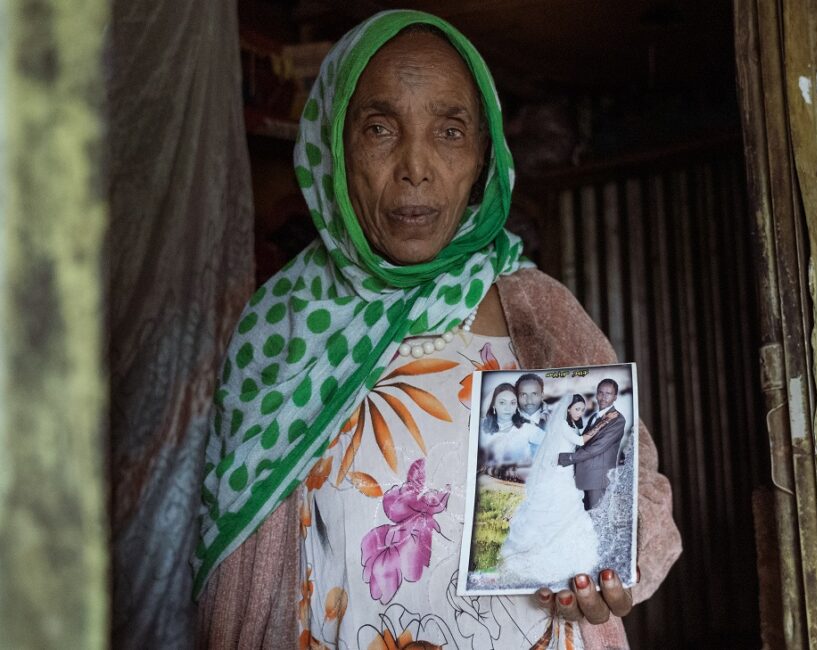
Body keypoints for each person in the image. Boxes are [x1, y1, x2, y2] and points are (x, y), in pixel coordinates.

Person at [195, 11, 680, 650]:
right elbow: (236, 601)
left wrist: (616, 564)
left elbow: (634, 497)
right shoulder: (279, 331)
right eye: (379, 129)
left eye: (449, 131)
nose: (415, 166)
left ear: (483, 155)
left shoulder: (534, 308)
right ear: (333, 149)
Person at [499, 395, 599, 584]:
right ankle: (537, 556)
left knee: (568, 507)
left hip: (566, 472)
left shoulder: (571, 426)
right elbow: (579, 442)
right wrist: (599, 428)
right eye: (577, 409)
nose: (579, 413)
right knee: (552, 507)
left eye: (581, 410)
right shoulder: (562, 425)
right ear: (568, 409)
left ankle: (570, 558)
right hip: (557, 473)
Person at [559, 379, 627, 511]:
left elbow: (596, 448)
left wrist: (568, 458)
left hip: (598, 479)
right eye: (600, 393)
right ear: (596, 394)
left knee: (596, 518)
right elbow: (582, 443)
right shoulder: (594, 417)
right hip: (583, 476)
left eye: (608, 393)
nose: (603, 397)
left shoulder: (618, 420)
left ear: (615, 397)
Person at [479, 383, 543, 479]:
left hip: (521, 472)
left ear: (517, 406)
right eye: (502, 402)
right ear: (493, 404)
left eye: (512, 403)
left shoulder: (526, 428)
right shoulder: (484, 428)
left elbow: (550, 440)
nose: (507, 408)